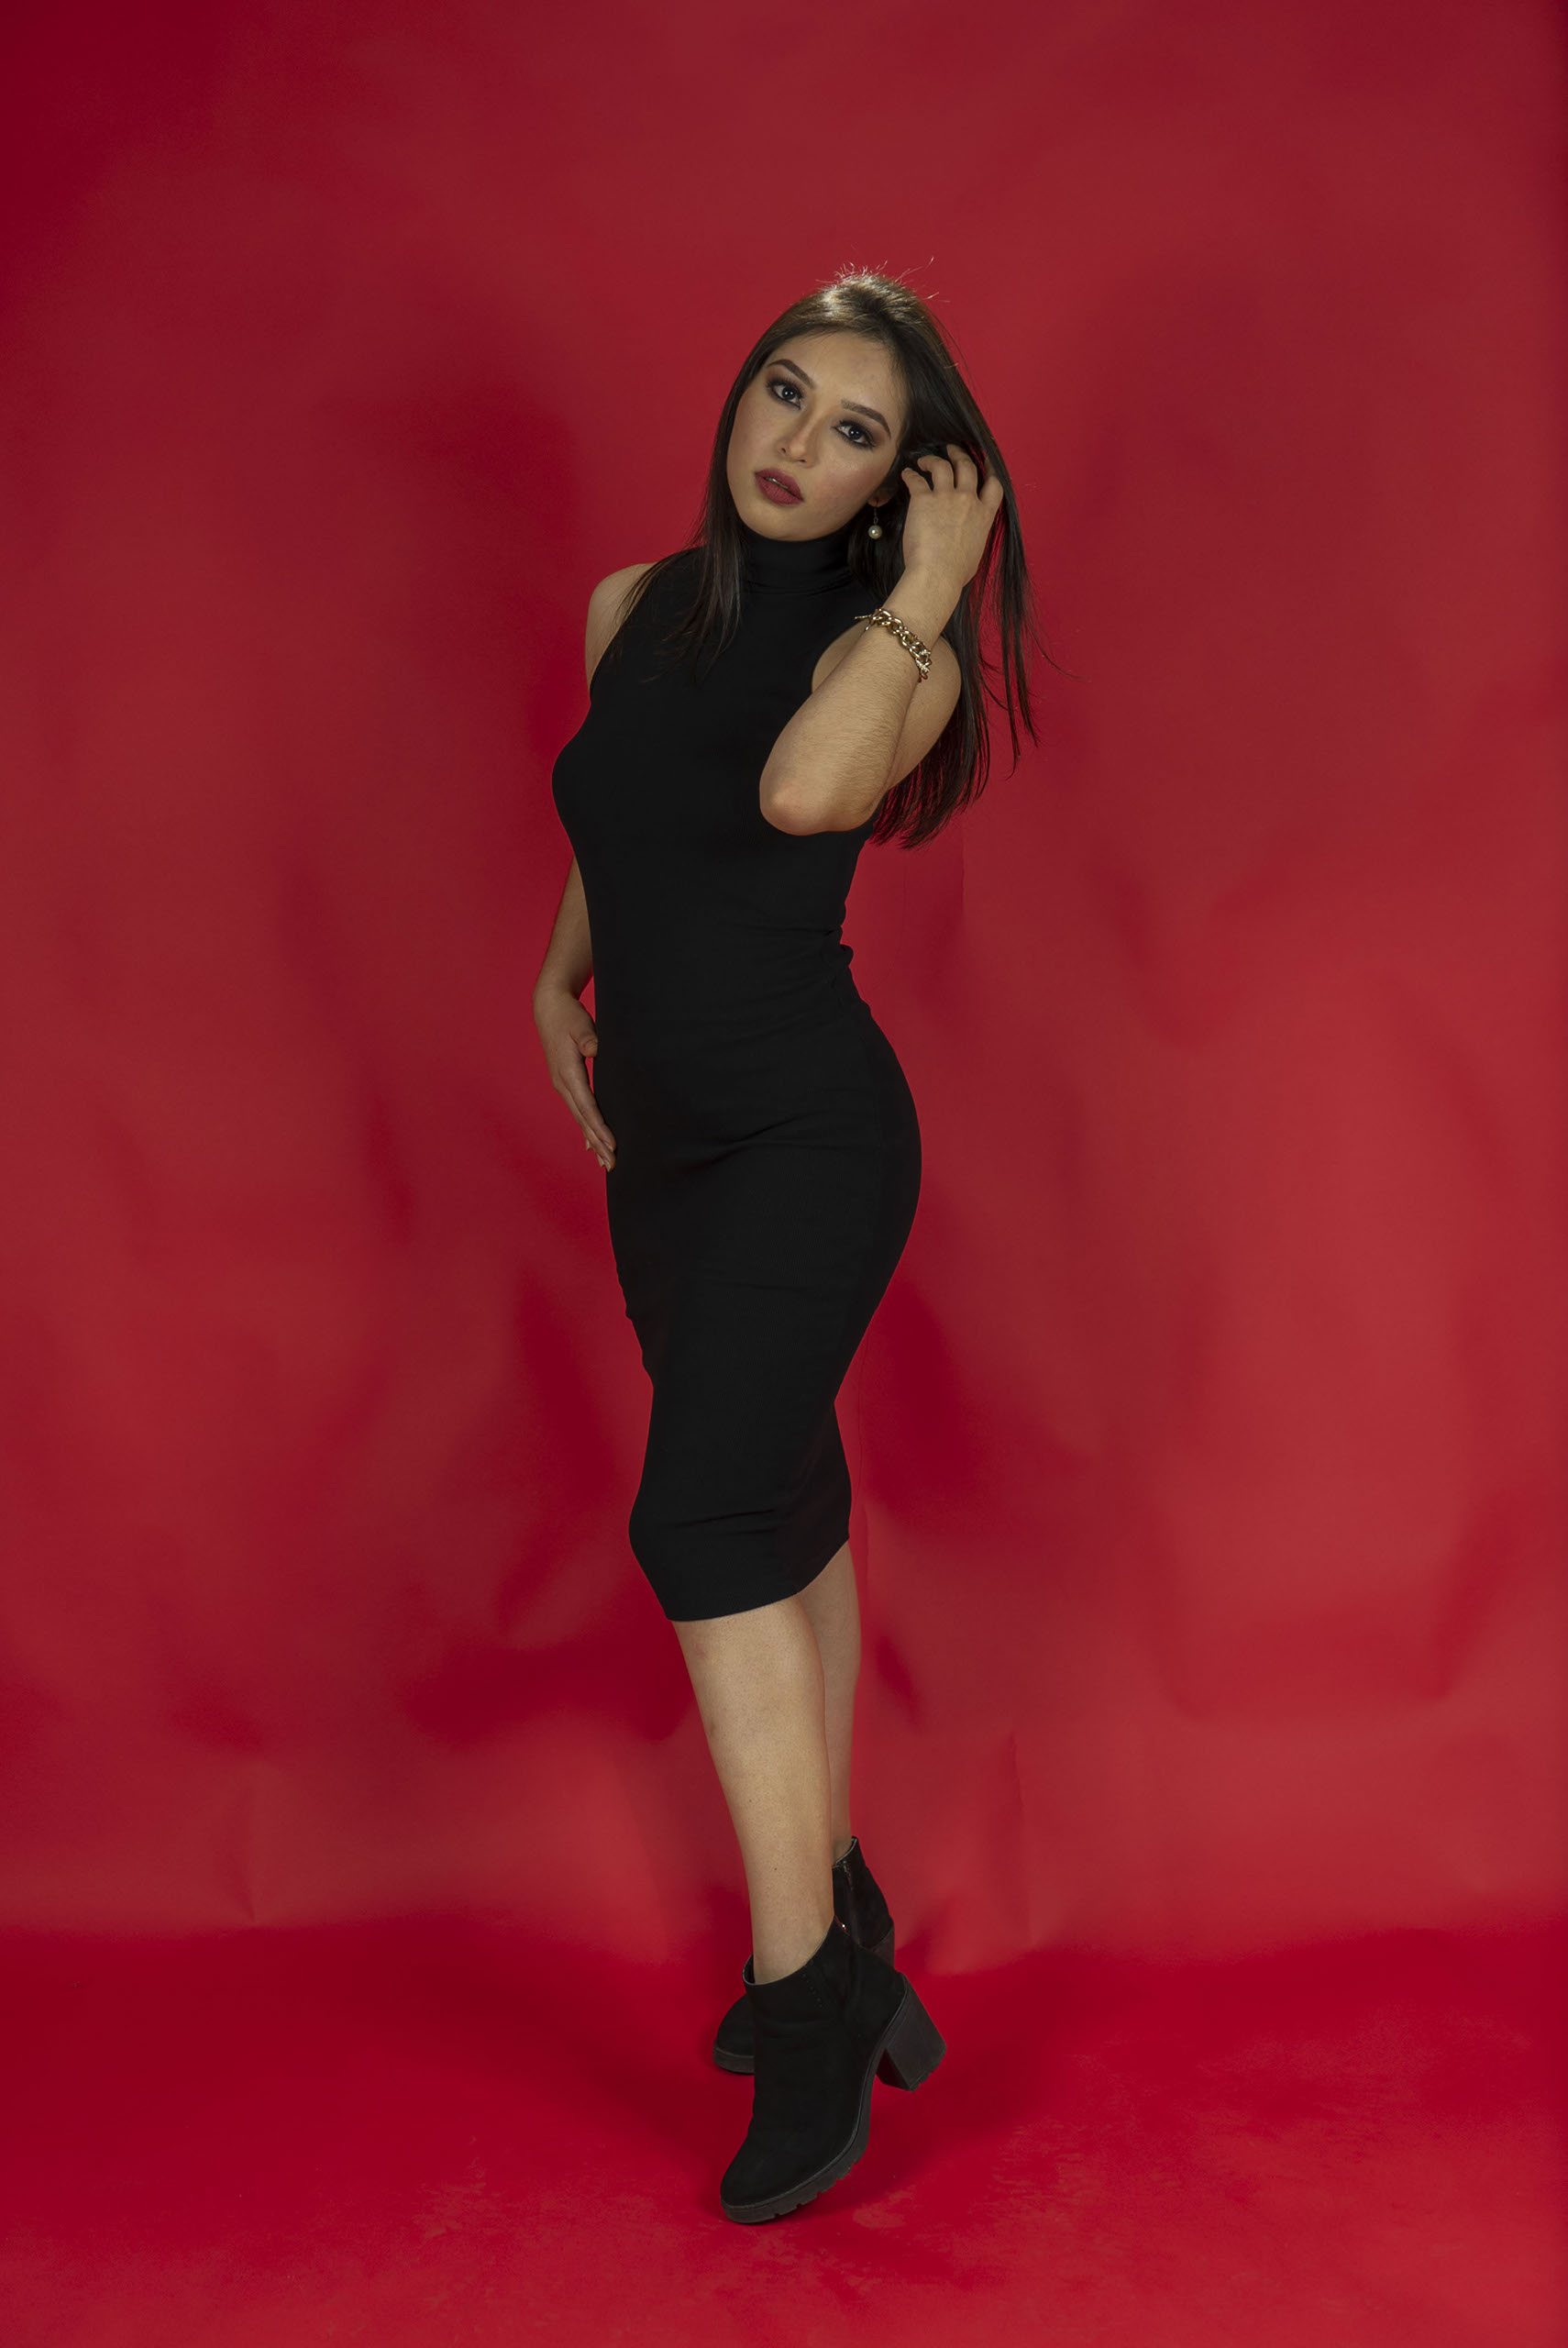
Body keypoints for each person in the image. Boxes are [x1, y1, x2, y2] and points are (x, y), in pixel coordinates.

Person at [536, 269, 1043, 2222]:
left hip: (808, 1134)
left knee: (703, 1519)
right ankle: (839, 1899)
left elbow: (798, 790)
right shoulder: (628, 607)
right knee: (785, 1499)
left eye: (854, 433)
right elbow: (625, 815)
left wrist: (938, 579)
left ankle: (807, 1996)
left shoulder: (894, 656)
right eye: (782, 392)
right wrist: (554, 980)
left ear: (899, 482)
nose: (795, 444)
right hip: (661, 1146)